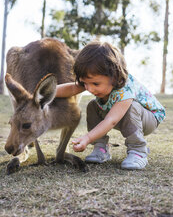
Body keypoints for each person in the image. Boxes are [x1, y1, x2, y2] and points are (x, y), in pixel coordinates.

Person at [56, 41, 165, 170]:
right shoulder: (94, 80)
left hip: (148, 119)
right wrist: (45, 92)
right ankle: (101, 148)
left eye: (95, 84)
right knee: (92, 105)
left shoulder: (125, 89)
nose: (89, 88)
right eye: (85, 83)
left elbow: (111, 120)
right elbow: (72, 89)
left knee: (131, 107)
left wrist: (87, 138)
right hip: (123, 117)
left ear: (114, 76)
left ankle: (138, 151)